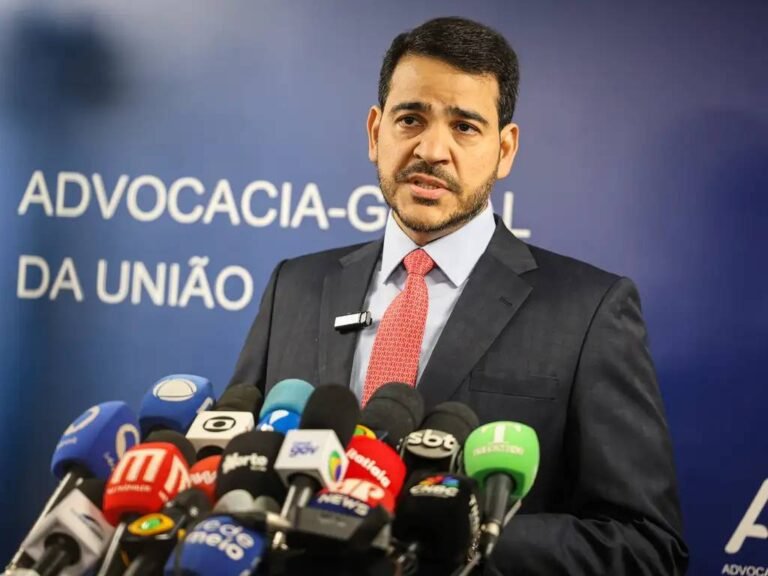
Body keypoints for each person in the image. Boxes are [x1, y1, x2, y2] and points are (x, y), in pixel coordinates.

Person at [229, 16, 688, 575]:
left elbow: (645, 545)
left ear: (505, 150)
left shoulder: (589, 311)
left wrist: (464, 535)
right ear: (375, 132)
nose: (432, 149)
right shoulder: (295, 286)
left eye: (465, 126)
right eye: (410, 119)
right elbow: (238, 474)